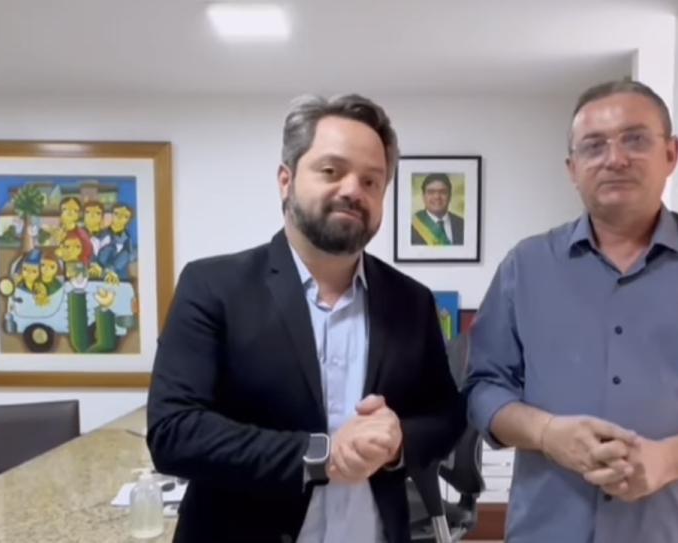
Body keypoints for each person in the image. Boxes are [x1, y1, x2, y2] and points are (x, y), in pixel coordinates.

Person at [462, 80, 678, 543]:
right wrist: (547, 433)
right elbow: (483, 388)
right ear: (572, 169)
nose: (615, 158)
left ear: (671, 153)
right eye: (594, 145)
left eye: (635, 139)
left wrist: (670, 460)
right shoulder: (524, 267)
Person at [147, 94, 467, 543]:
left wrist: (399, 442)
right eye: (331, 171)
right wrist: (320, 454)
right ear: (286, 180)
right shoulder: (212, 286)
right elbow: (173, 432)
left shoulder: (411, 301)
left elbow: (446, 415)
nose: (353, 190)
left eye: (371, 181)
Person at [410, 173, 465, 246]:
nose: (437, 197)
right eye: (431, 192)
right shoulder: (411, 225)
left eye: (442, 192)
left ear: (450, 196)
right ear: (423, 197)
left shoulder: (463, 225)